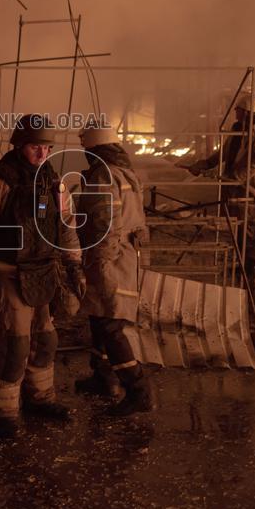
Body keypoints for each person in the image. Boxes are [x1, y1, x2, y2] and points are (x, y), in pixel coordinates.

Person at [0, 114, 85, 439]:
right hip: (8, 274)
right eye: (35, 147)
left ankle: (39, 398)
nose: (42, 154)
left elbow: (67, 225)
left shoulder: (54, 183)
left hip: (42, 272)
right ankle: (3, 413)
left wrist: (74, 264)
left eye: (47, 148)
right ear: (19, 146)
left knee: (46, 340)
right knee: (16, 346)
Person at [73, 122, 156, 416]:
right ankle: (104, 378)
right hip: (125, 257)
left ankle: (138, 390)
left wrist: (99, 265)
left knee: (110, 324)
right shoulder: (126, 173)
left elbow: (103, 225)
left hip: (108, 260)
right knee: (99, 317)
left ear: (93, 150)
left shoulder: (103, 176)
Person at [185, 92, 255, 276]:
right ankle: (242, 267)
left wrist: (237, 177)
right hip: (238, 193)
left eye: (238, 109)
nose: (235, 112)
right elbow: (224, 154)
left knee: (254, 233)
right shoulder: (238, 132)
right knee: (241, 231)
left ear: (247, 112)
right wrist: (204, 164)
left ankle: (253, 273)